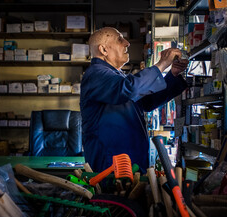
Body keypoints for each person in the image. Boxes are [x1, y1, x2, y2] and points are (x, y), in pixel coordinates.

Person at [80, 27, 188, 173]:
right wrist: (162, 64)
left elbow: (147, 102)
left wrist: (173, 75)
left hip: (129, 161)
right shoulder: (96, 74)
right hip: (110, 166)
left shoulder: (116, 76)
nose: (127, 43)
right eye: (119, 39)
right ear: (104, 50)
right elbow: (129, 89)